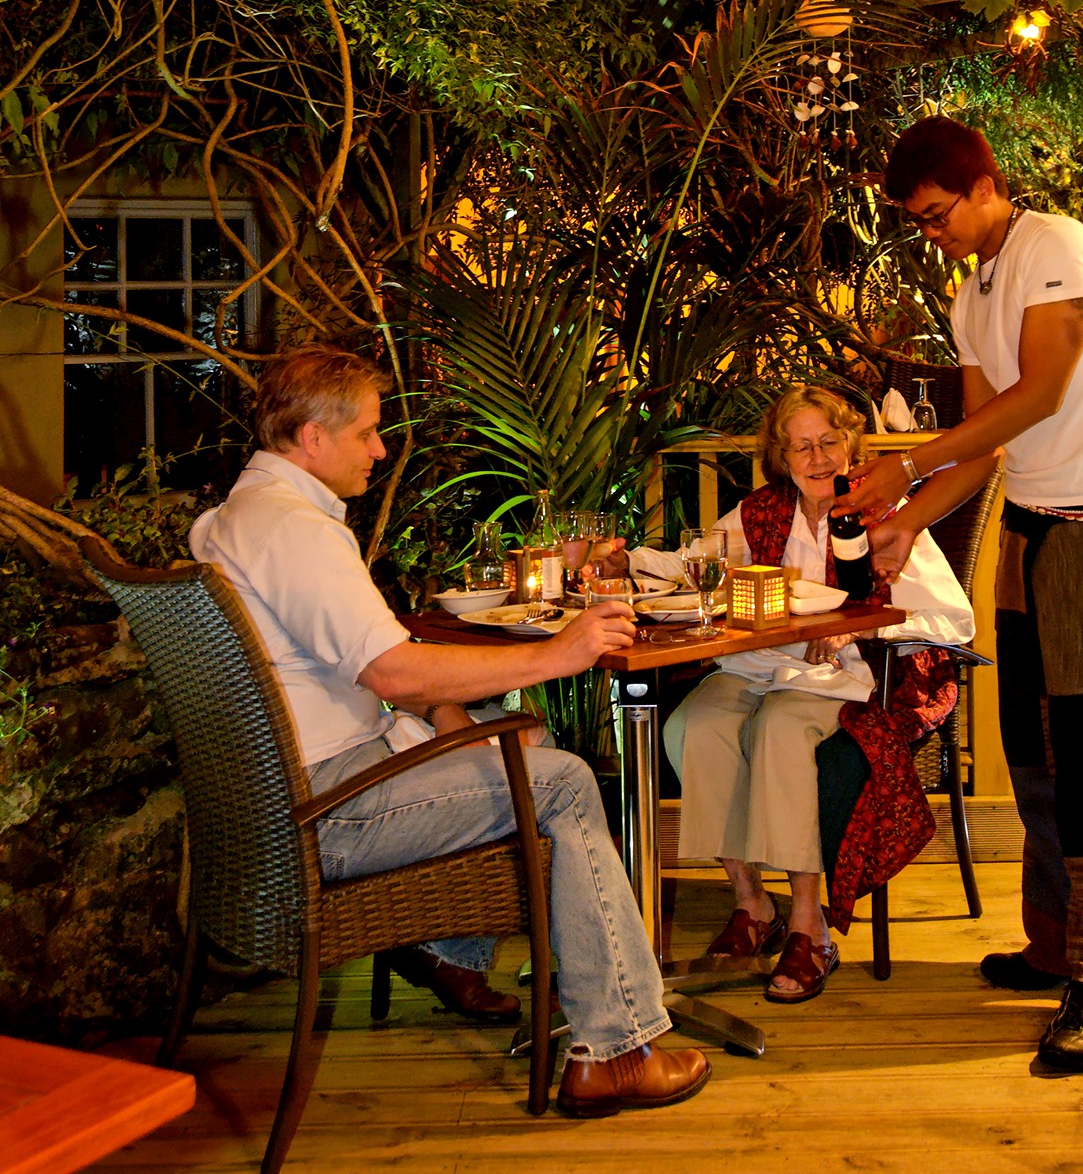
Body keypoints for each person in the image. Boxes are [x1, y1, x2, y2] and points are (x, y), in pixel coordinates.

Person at [190, 345, 709, 1119]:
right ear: (311, 440)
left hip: (292, 791)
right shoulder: (294, 531)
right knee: (564, 784)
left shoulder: (235, 519)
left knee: (516, 740)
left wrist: (446, 715)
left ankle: (447, 951)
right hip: (328, 813)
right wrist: (560, 654)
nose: (379, 448)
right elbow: (393, 670)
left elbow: (356, 670)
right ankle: (616, 1049)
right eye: (366, 432)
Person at [837, 117, 1083, 1075]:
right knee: (1034, 748)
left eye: (939, 215)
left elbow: (1040, 397)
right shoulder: (972, 291)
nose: (933, 234)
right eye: (922, 222)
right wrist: (906, 514)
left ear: (985, 184)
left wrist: (906, 461)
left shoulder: (1055, 248)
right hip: (1034, 530)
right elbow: (990, 443)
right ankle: (1057, 943)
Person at [663, 384, 971, 1004]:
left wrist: (851, 627)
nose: (818, 456)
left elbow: (952, 621)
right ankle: (752, 905)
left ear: (851, 443)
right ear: (782, 455)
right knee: (690, 728)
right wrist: (624, 567)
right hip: (757, 667)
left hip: (848, 677)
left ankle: (810, 925)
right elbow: (690, 568)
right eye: (801, 445)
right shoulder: (757, 515)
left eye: (829, 441)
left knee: (780, 730)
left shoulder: (883, 513)